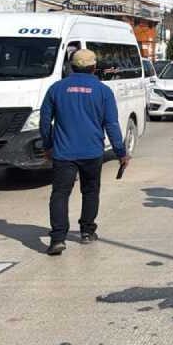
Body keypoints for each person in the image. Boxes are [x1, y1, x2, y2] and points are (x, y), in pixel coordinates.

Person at [39, 48, 131, 256]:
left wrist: (47, 146)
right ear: (94, 67)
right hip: (92, 152)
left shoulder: (57, 88)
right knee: (90, 191)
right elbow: (111, 124)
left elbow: (45, 121)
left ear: (71, 66)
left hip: (63, 153)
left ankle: (57, 239)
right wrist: (121, 152)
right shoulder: (102, 90)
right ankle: (87, 232)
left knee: (60, 194)